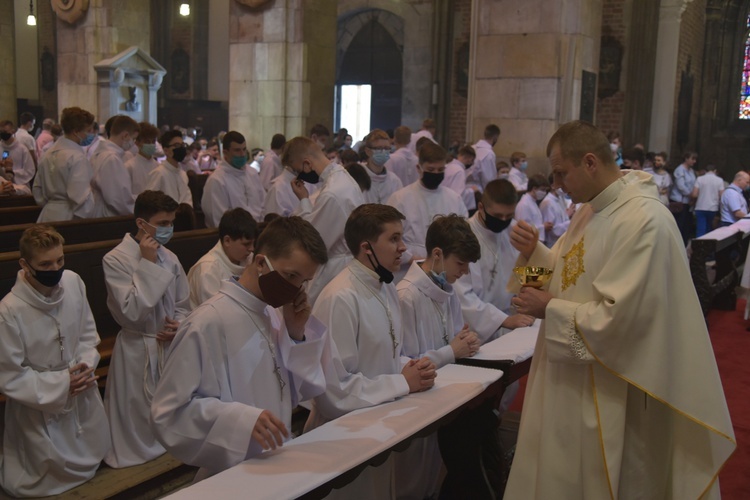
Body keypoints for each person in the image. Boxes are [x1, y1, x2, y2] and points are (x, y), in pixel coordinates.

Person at [506, 120, 735, 499]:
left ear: (591, 162)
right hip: (568, 378)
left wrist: (550, 307)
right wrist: (533, 255)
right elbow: (562, 272)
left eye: (562, 173)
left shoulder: (644, 221)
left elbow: (621, 323)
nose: (558, 184)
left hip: (612, 389)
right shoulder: (589, 210)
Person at [152, 216, 330, 480]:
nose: (295, 289)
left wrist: (295, 333)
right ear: (260, 262)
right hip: (231, 471)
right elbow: (169, 413)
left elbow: (293, 393)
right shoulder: (207, 322)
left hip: (277, 461)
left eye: (303, 281)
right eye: (290, 276)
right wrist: (241, 420)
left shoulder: (272, 313)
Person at [306, 204, 437, 499]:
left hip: (380, 422)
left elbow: (386, 354)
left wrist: (412, 366)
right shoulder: (340, 297)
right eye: (393, 239)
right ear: (367, 247)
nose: (403, 247)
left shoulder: (384, 285)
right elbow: (333, 390)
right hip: (344, 438)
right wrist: (403, 382)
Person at [0, 225, 109, 497]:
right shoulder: (9, 310)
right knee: (42, 473)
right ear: (25, 264)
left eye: (60, 260)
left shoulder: (73, 282)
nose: (56, 269)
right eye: (45, 264)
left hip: (79, 382)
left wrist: (84, 367)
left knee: (87, 450)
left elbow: (87, 334)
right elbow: (10, 375)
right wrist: (62, 385)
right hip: (40, 397)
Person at [394, 215, 481, 499]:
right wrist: (452, 351)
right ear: (437, 254)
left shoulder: (447, 291)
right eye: (461, 264)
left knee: (437, 474)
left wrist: (466, 342)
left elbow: (456, 336)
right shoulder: (407, 296)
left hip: (443, 396)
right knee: (413, 482)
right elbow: (405, 362)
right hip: (415, 405)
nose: (464, 272)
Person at [102, 190, 190, 468]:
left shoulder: (171, 257)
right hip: (137, 346)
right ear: (141, 223)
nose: (168, 229)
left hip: (167, 345)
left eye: (171, 222)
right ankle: (138, 453)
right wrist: (148, 264)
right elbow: (132, 311)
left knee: (167, 409)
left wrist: (179, 324)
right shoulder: (115, 259)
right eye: (162, 223)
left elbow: (183, 303)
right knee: (137, 413)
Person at [286, 136, 365, 304]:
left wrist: (304, 201)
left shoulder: (332, 193)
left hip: (334, 269)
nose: (299, 175)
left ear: (307, 164)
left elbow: (313, 240)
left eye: (297, 169)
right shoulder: (341, 175)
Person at [453, 179, 535, 341]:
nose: (503, 220)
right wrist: (503, 320)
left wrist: (530, 255)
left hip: (513, 317)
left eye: (509, 215)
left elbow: (524, 273)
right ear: (481, 207)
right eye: (498, 216)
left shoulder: (514, 230)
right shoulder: (463, 236)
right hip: (477, 328)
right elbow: (462, 295)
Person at [387, 141, 468, 263]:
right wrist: (414, 259)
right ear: (419, 168)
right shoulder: (400, 198)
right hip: (408, 267)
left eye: (440, 169)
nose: (436, 173)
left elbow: (464, 234)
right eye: (431, 169)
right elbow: (389, 237)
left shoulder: (454, 198)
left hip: (444, 265)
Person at [32, 107, 97, 222]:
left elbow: (37, 189)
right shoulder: (77, 157)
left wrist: (53, 204)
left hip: (48, 213)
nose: (91, 134)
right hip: (68, 215)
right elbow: (80, 196)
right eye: (88, 130)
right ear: (76, 131)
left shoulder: (48, 153)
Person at [187, 207, 257, 308]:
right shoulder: (207, 269)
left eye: (253, 243)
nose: (251, 249)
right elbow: (215, 313)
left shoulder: (250, 259)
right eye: (246, 244)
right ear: (227, 241)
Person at [201, 131, 266, 226]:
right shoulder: (216, 180)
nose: (243, 154)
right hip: (234, 236)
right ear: (225, 153)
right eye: (237, 150)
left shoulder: (252, 173)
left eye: (244, 149)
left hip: (258, 230)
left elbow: (263, 203)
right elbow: (218, 219)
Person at [90, 115, 140, 217]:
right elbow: (118, 198)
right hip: (108, 214)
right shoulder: (111, 158)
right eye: (133, 139)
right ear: (125, 136)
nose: (133, 144)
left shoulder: (100, 153)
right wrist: (136, 211)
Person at [145, 130, 193, 207]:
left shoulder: (183, 174)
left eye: (182, 145)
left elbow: (187, 201)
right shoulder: (158, 173)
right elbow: (149, 203)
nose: (181, 148)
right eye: (177, 145)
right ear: (166, 150)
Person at [361, 129, 403, 204]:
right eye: (379, 148)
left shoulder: (394, 181)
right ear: (368, 151)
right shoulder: (358, 178)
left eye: (386, 148)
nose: (383, 152)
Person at [669, 151, 698, 244]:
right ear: (686, 158)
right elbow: (681, 186)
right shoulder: (680, 170)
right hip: (680, 201)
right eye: (692, 159)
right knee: (679, 225)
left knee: (686, 226)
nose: (694, 161)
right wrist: (691, 194)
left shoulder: (691, 171)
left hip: (688, 202)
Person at [125, 122, 160, 197]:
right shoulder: (129, 166)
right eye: (147, 142)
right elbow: (126, 195)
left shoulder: (158, 166)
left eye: (153, 141)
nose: (151, 144)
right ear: (137, 143)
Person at [515, 173, 552, 243]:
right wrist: (543, 227)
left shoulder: (532, 202)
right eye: (542, 190)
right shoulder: (524, 204)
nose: (544, 193)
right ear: (534, 189)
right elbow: (524, 229)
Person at [0, 120, 36, 192]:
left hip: (20, 188)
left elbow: (29, 170)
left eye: (5, 131)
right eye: (1, 132)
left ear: (13, 131)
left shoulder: (22, 149)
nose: (2, 134)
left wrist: (11, 171)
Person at [692, 164, 725, 237]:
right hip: (712, 207)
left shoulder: (699, 179)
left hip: (700, 206)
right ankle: (707, 245)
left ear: (705, 171)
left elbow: (694, 194)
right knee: (709, 228)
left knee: (700, 229)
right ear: (715, 171)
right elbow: (722, 195)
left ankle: (699, 245)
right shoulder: (719, 180)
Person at [540, 174, 572, 247]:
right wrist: (571, 222)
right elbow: (553, 230)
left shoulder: (560, 198)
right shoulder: (548, 203)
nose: (564, 187)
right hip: (553, 244)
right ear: (552, 186)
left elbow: (563, 217)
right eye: (561, 184)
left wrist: (568, 215)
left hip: (563, 240)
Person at [467, 124, 500, 192]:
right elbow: (488, 178)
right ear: (495, 137)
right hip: (477, 190)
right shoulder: (488, 154)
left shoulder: (472, 148)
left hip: (465, 187)